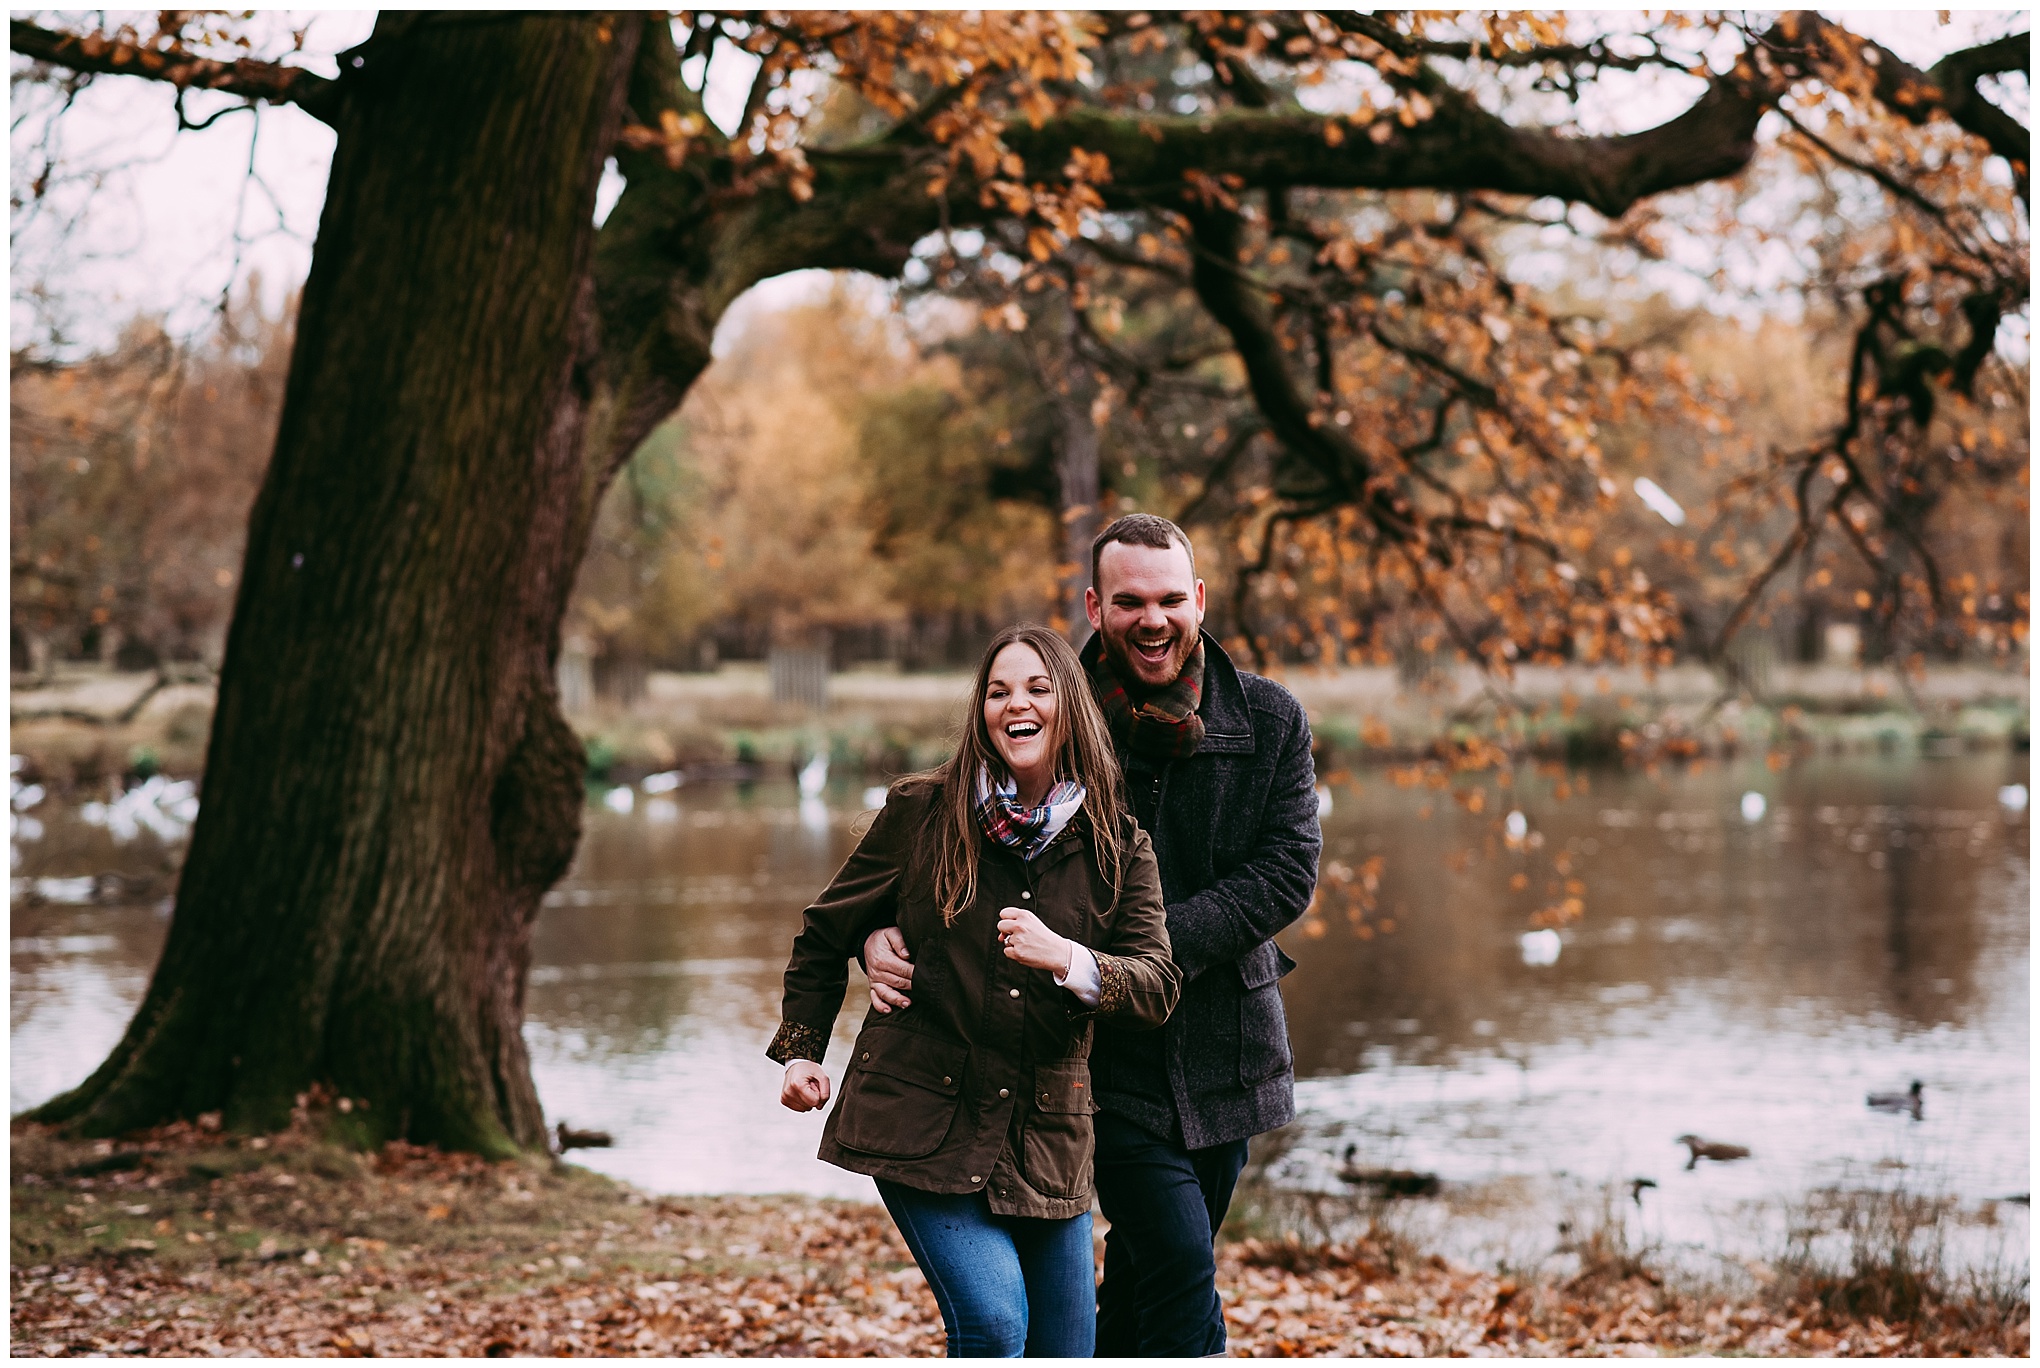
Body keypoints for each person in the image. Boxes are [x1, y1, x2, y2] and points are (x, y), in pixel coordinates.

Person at [867, 514, 1321, 1356]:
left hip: (1228, 1044)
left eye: (1169, 599)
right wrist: (879, 931)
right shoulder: (1050, 713)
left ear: (1199, 600)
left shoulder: (1270, 720)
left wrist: (1136, 954)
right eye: (1128, 601)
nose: (1152, 619)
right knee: (1183, 1261)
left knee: (1153, 1269)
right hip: (1085, 1050)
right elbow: (951, 834)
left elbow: (1286, 873)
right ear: (1094, 605)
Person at [769, 624, 1181, 1359]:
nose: (1013, 705)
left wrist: (1069, 958)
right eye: (997, 692)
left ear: (1070, 708)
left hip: (1048, 1137)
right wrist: (802, 1052)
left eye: (1035, 688)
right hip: (920, 1117)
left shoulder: (1119, 843)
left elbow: (1156, 985)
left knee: (1066, 1352)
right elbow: (828, 929)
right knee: (993, 1328)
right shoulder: (923, 812)